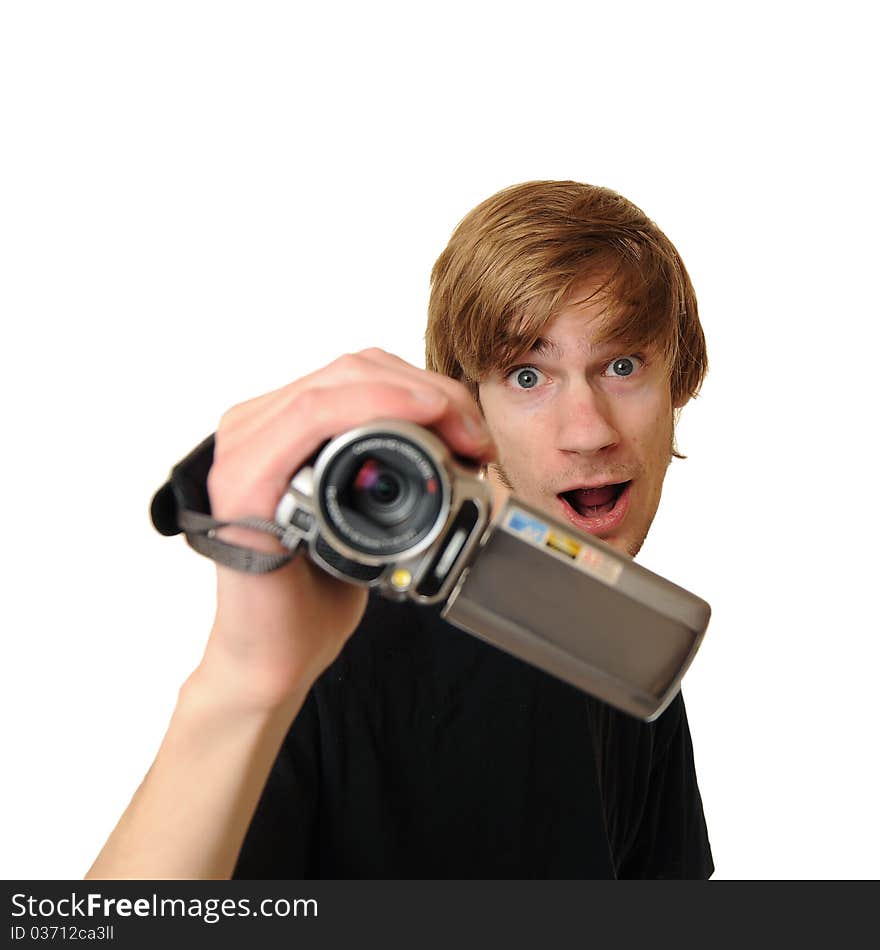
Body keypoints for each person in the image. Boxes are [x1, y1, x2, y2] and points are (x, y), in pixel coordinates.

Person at [86, 180, 713, 879]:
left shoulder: (625, 638)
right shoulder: (321, 647)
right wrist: (246, 682)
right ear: (467, 409)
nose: (588, 431)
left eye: (623, 366)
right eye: (528, 376)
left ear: (679, 383)